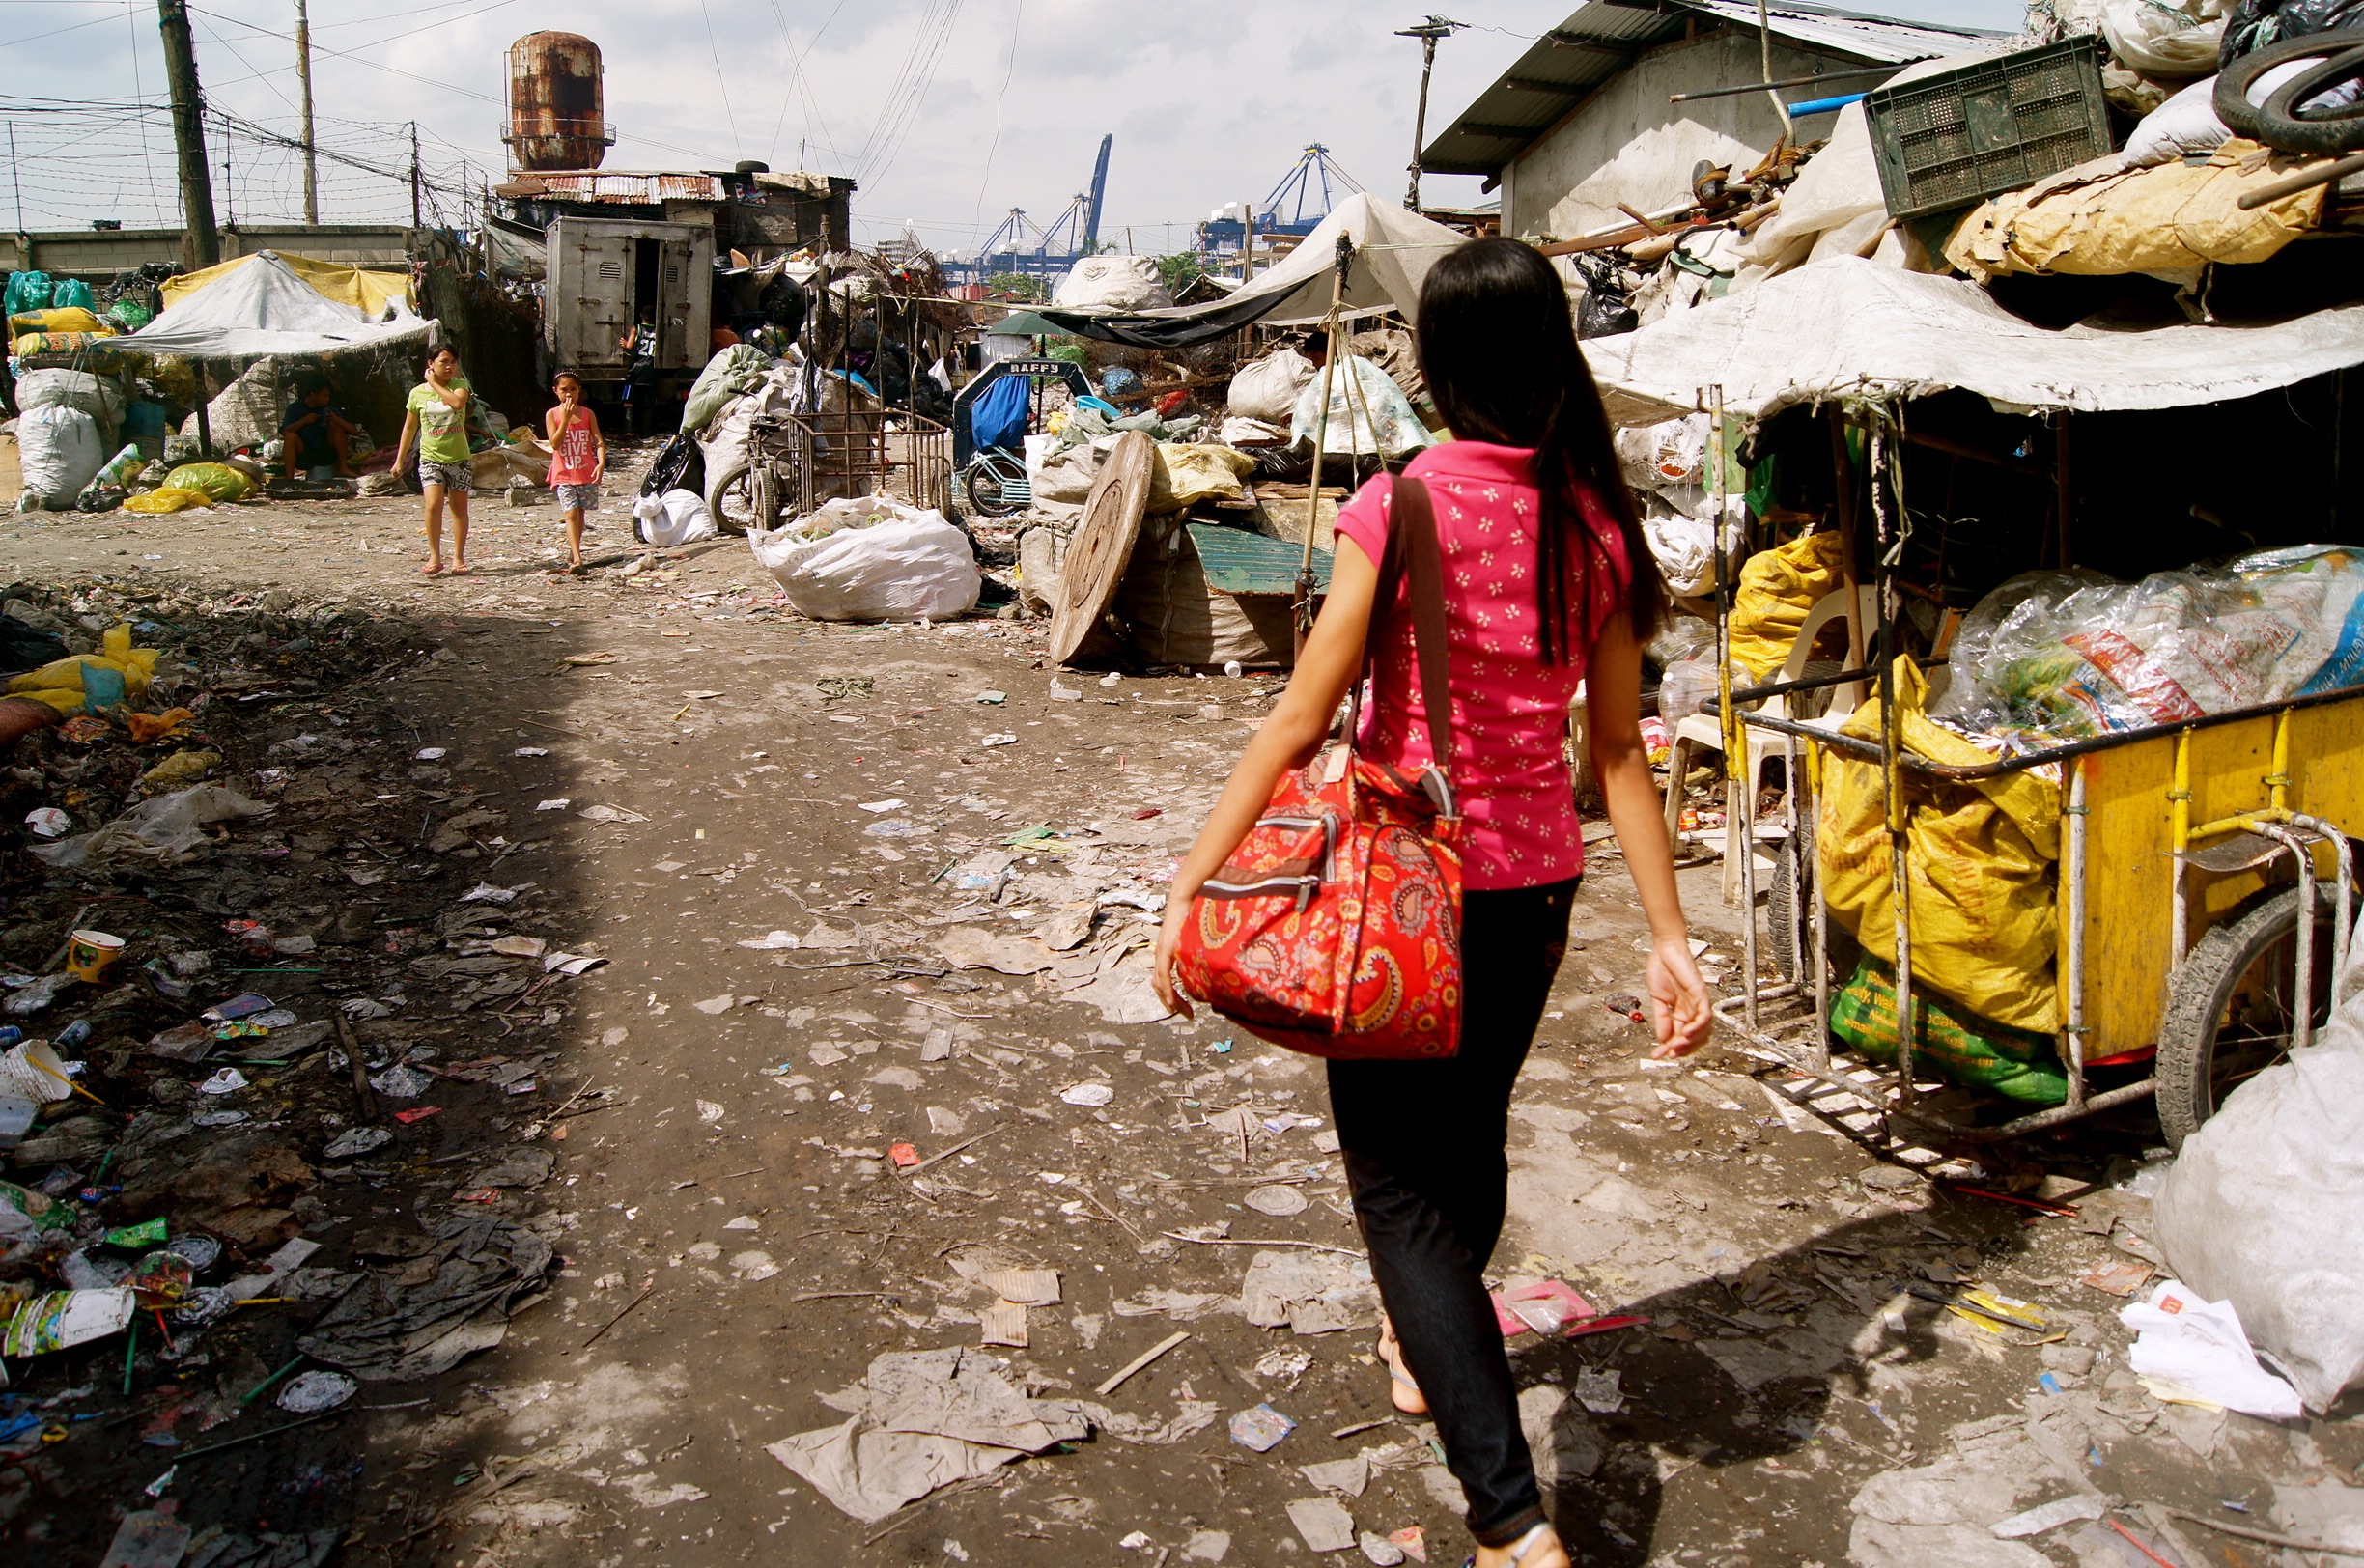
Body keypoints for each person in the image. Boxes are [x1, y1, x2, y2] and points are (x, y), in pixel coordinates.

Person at [1152, 238, 1714, 1568]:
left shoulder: (1397, 505)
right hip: (1537, 897)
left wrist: (1195, 876)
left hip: (1407, 892)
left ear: (1443, 364)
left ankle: (1513, 1523)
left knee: (1401, 1197)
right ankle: (1427, 1343)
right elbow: (1620, 754)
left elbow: (1303, 709)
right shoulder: (1597, 521)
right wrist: (1674, 936)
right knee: (1467, 1149)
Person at [392, 345, 474, 576]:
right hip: (430, 457)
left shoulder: (460, 386)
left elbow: (457, 404)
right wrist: (400, 460)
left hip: (458, 457)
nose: (449, 366)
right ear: (431, 364)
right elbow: (409, 427)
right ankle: (435, 555)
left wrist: (436, 385)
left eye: (453, 362)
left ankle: (458, 557)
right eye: (444, 361)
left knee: (459, 508)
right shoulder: (417, 394)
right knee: (433, 504)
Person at [544, 369, 605, 574]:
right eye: (564, 390)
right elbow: (554, 443)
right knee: (570, 514)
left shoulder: (588, 414)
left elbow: (598, 441)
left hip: (585, 471)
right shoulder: (552, 415)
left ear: (579, 391)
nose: (568, 394)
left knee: (580, 514)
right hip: (563, 474)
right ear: (556, 391)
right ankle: (578, 559)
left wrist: (601, 462)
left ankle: (574, 550)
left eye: (573, 389)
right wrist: (566, 418)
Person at [279, 372, 359, 480]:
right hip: (305, 454)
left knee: (337, 427)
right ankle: (290, 479)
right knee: (290, 437)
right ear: (313, 394)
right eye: (324, 395)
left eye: (328, 396)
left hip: (326, 453)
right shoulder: (295, 408)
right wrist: (304, 421)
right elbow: (285, 431)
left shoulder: (329, 409)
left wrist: (336, 419)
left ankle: (343, 468)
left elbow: (354, 431)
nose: (327, 399)